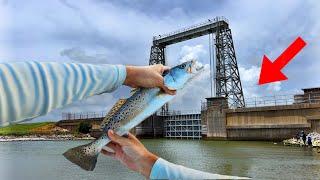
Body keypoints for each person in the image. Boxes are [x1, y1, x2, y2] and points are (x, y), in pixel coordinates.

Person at [0, 61, 247, 179]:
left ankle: (90, 151)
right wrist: (127, 75)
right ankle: (91, 151)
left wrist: (126, 75)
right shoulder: (160, 87)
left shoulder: (163, 89)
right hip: (122, 125)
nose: (190, 68)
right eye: (185, 67)